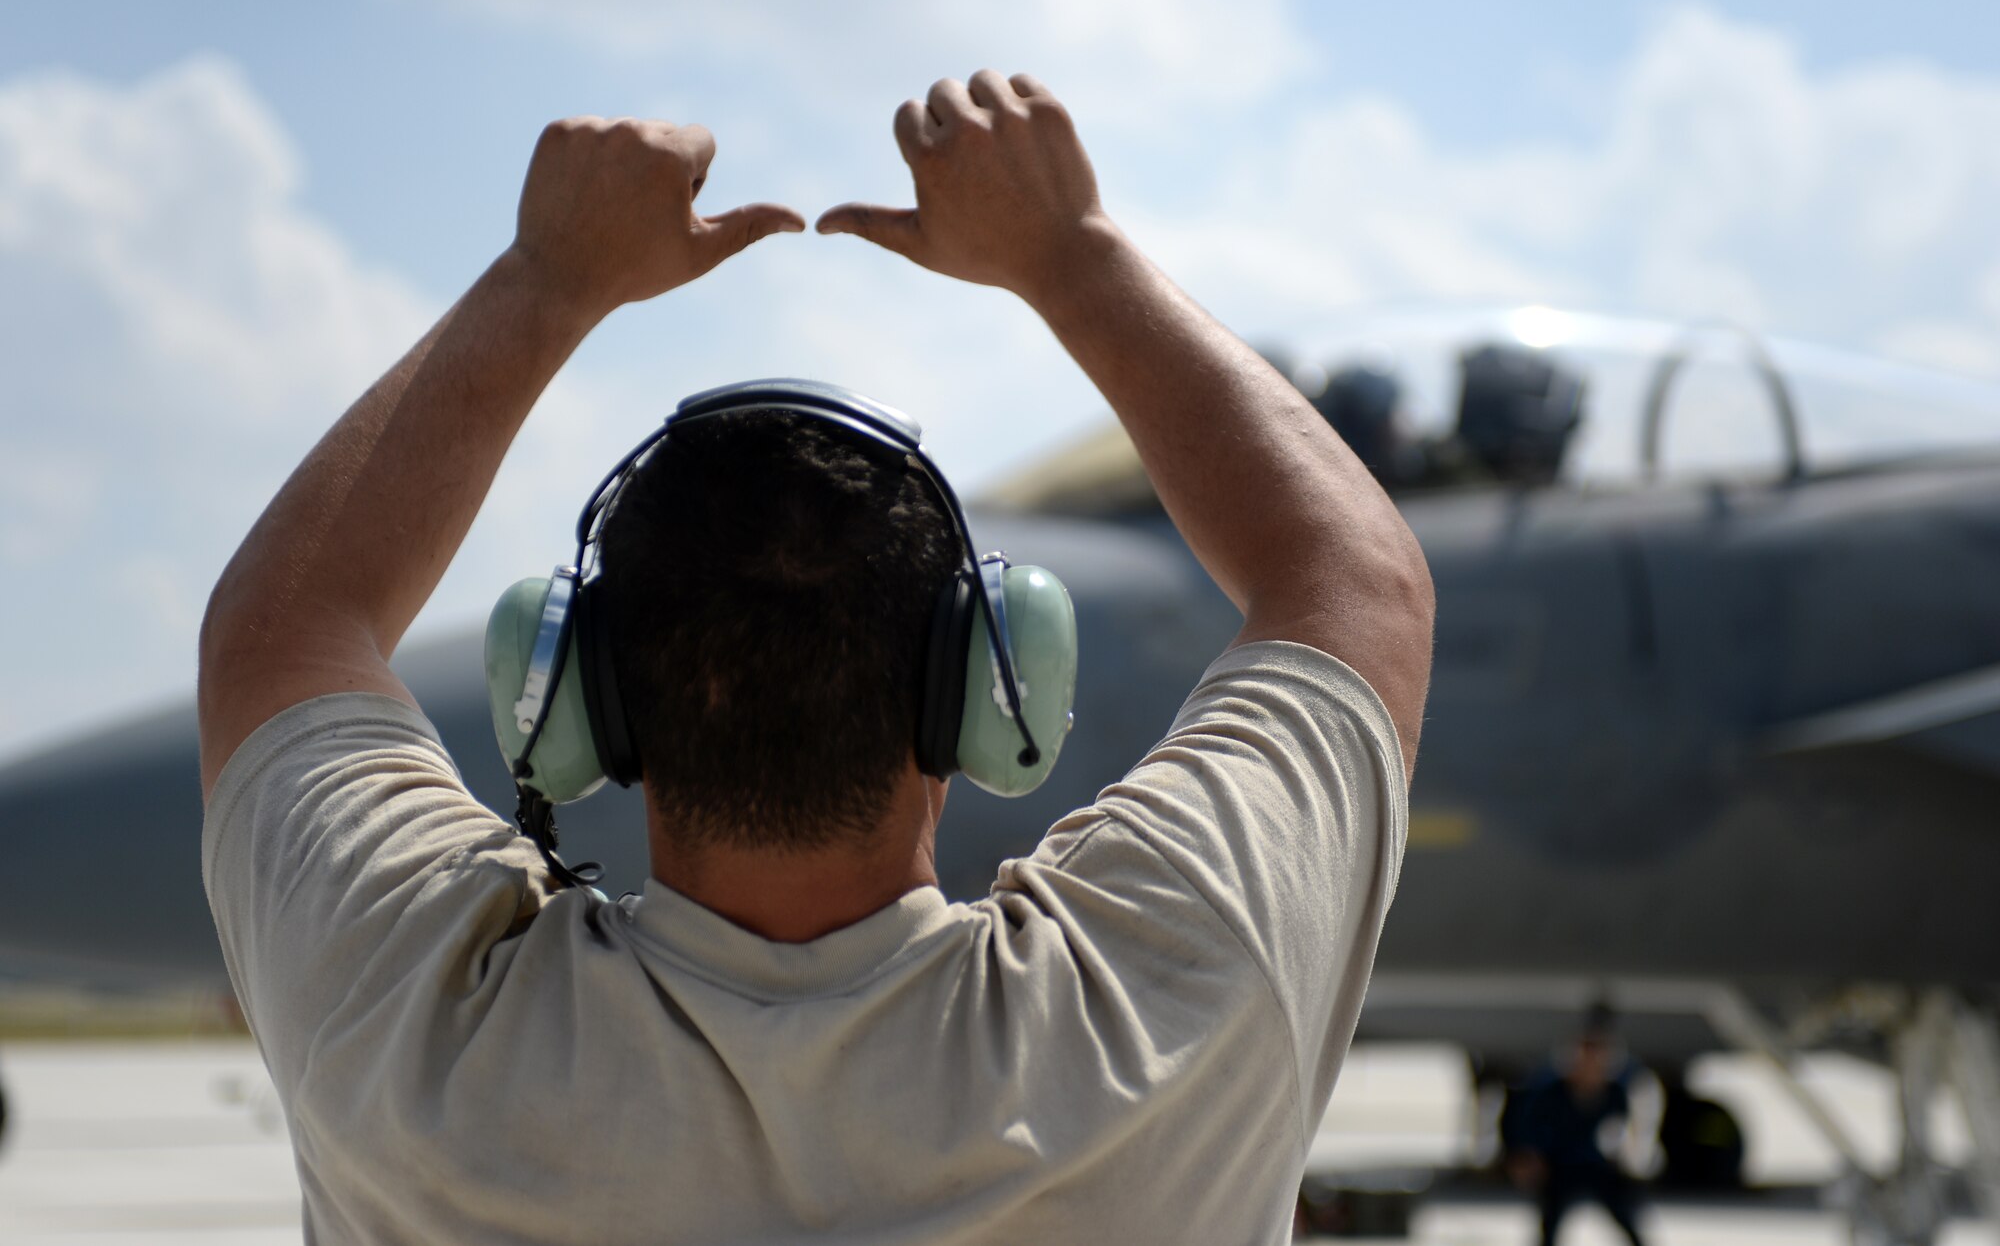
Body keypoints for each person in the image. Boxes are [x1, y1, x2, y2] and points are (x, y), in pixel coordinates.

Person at [197, 70, 1434, 1242]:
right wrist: (1072, 252)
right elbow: (1354, 582)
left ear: (584, 700)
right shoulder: (1157, 1012)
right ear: (977, 689)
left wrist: (546, 278)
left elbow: (285, 631)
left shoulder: (407, 1033)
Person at [1505, 1004, 1653, 1246]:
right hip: (1560, 1167)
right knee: (1551, 1220)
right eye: (1585, 1054)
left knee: (1625, 1213)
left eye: (1598, 1056)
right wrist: (1529, 1157)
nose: (1590, 1063)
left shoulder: (1615, 1093)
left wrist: (1631, 1161)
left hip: (1596, 1166)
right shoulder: (1552, 1093)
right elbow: (1529, 1129)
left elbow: (1627, 1132)